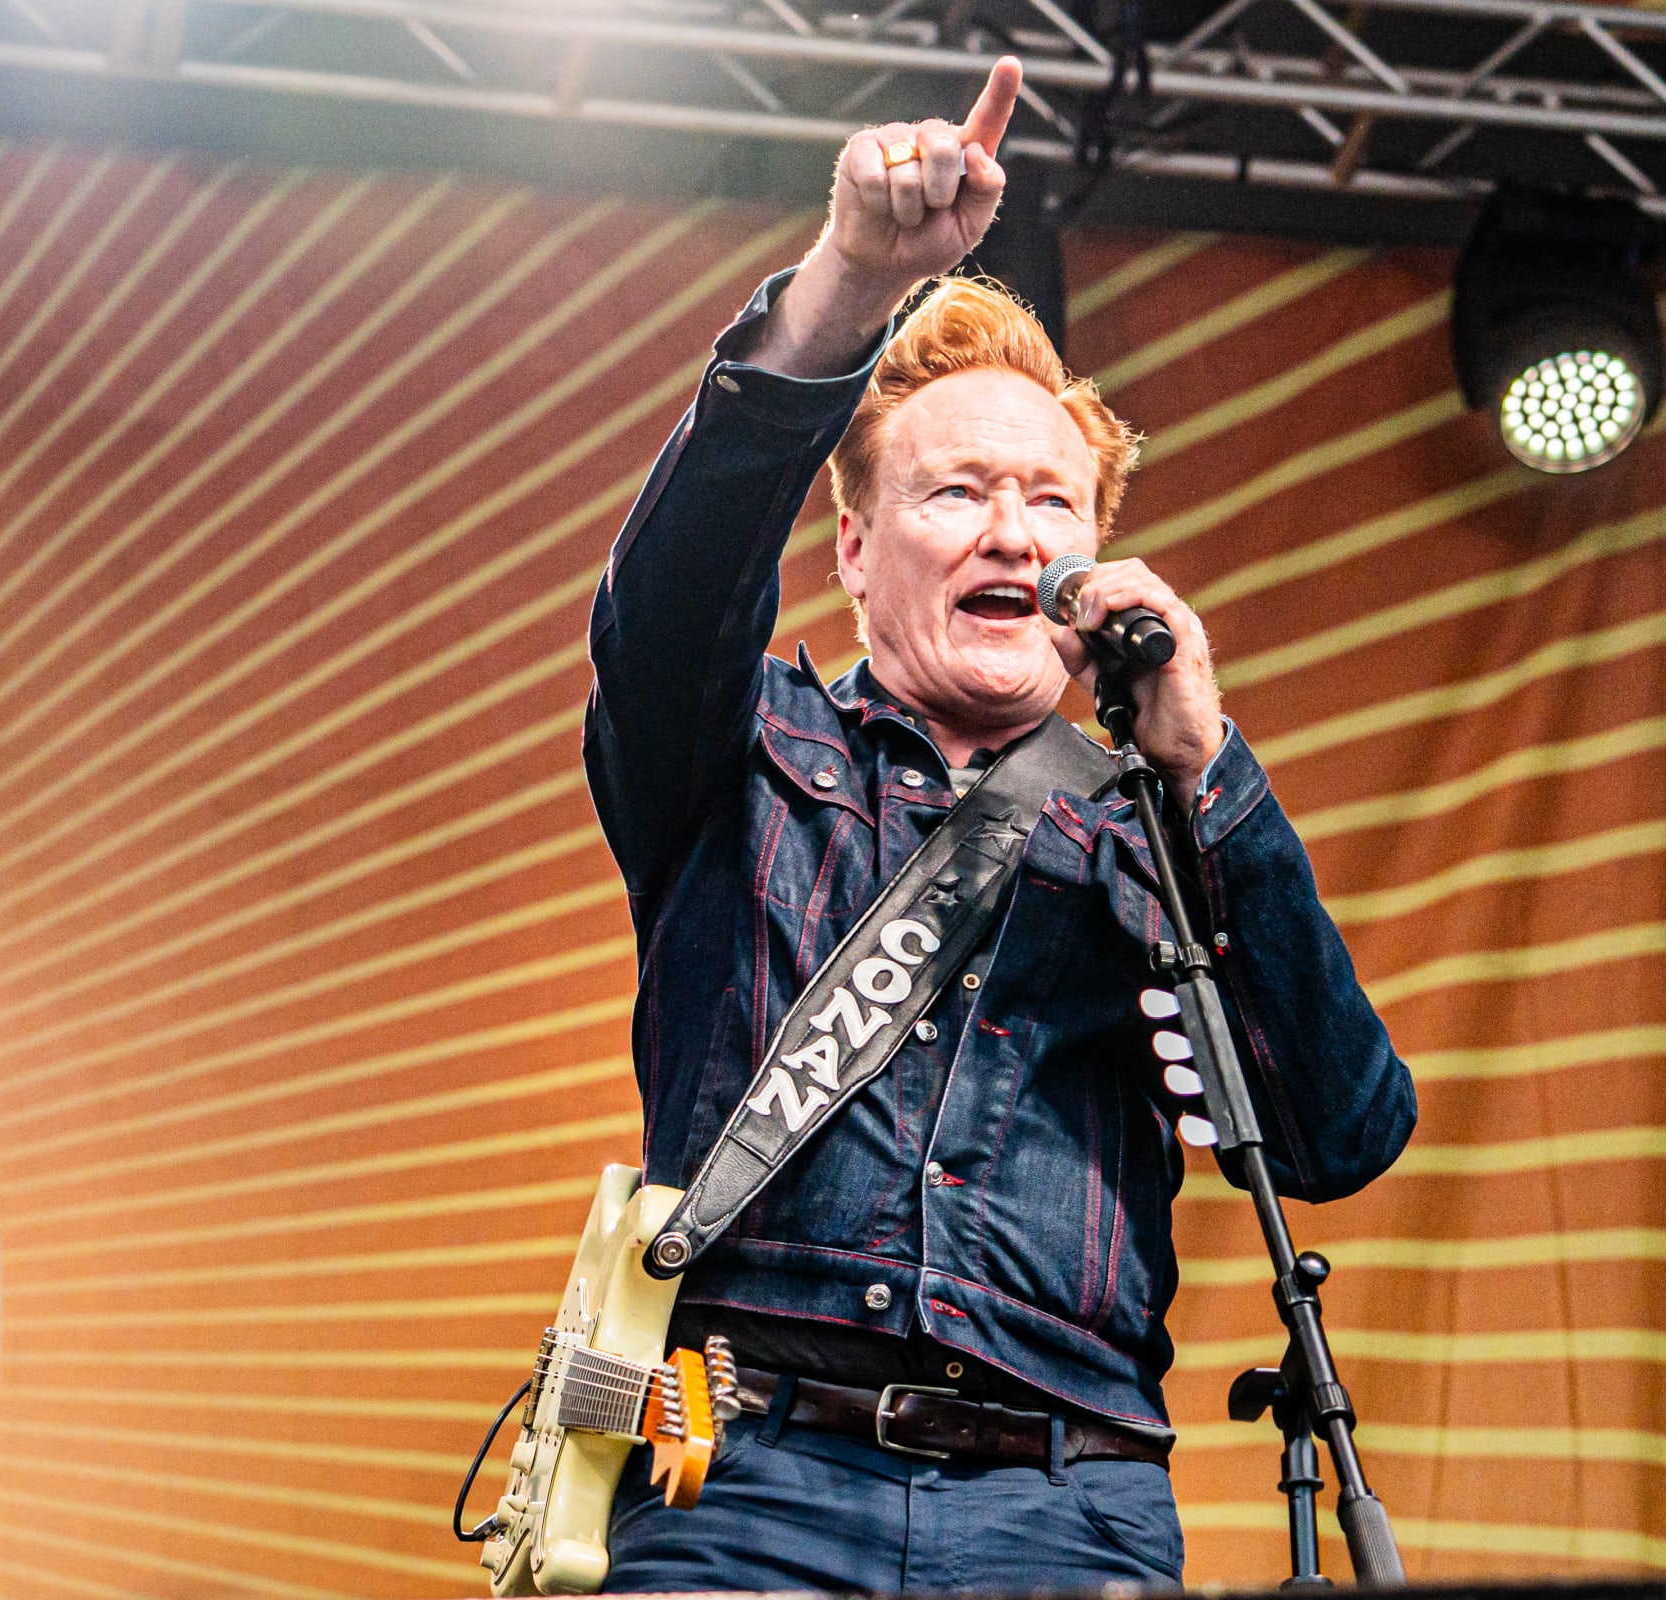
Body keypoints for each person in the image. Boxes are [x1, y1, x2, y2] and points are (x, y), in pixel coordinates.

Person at [583, 55, 1416, 1592]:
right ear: (849, 547)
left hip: (1070, 1498)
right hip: (746, 1480)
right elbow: (669, 597)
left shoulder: (1157, 820)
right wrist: (848, 286)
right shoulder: (750, 746)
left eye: (1051, 503)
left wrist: (1204, 766)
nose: (1013, 533)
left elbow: (1343, 1133)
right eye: (956, 493)